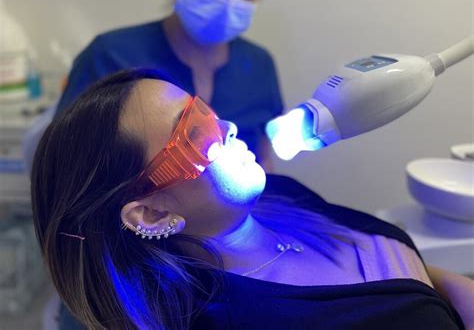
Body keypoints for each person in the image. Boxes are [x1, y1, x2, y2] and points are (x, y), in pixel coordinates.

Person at [31, 69, 473, 330]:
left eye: (204, 110)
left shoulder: (279, 197)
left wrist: (453, 290)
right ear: (151, 213)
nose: (226, 127)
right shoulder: (236, 320)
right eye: (194, 134)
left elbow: (400, 272)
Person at [55, 0, 282, 170]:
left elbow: (264, 161)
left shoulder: (259, 66)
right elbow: (61, 167)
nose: (227, 0)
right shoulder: (109, 56)